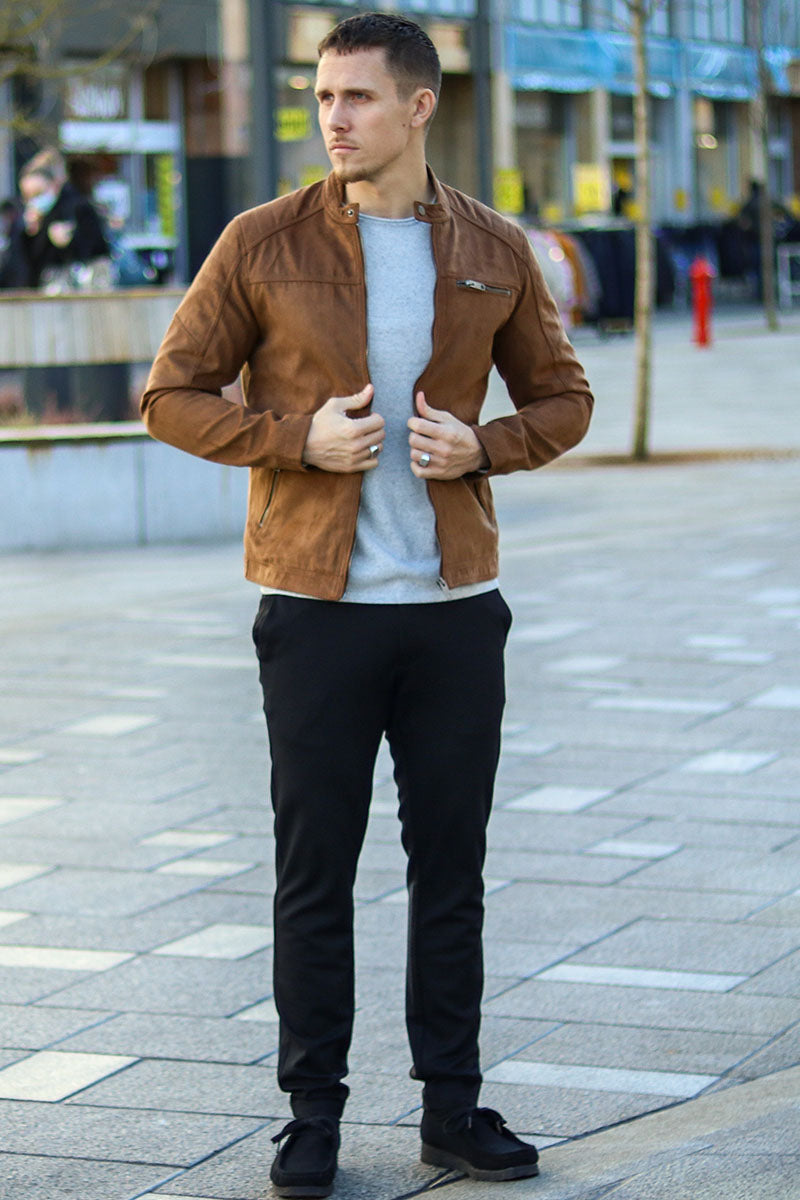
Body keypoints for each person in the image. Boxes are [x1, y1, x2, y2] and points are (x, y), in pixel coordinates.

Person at [142, 13, 593, 1197]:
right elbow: (170, 394)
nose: (331, 119)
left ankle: (451, 1109)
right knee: (314, 874)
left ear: (418, 107)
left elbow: (563, 397)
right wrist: (295, 440)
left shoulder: (492, 244)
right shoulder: (261, 242)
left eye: (355, 98)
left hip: (455, 612)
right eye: (321, 97)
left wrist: (483, 446)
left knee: (451, 872)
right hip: (315, 610)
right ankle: (311, 1118)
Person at [17, 148, 109, 290]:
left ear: (53, 186)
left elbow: (90, 250)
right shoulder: (28, 222)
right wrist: (31, 234)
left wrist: (67, 240)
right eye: (27, 196)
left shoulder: (75, 208)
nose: (33, 201)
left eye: (37, 193)